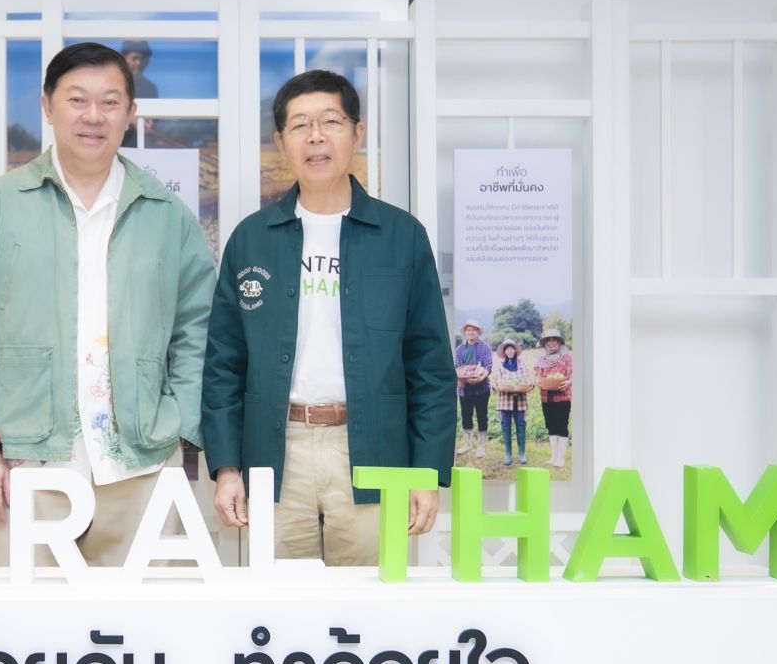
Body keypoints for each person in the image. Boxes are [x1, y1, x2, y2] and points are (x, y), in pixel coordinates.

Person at [0, 41, 214, 567]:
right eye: (77, 99)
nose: (93, 116)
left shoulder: (166, 213)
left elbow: (197, 327)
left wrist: (179, 425)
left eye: (110, 102)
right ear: (47, 106)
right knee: (27, 615)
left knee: (144, 616)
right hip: (27, 462)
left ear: (131, 113)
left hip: (141, 465)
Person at [202, 69, 454, 566]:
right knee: (278, 602)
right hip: (276, 452)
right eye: (299, 125)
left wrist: (426, 471)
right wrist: (227, 467)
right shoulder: (252, 239)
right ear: (281, 142)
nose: (315, 136)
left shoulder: (401, 236)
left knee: (371, 600)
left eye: (330, 122)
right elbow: (224, 365)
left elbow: (429, 363)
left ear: (357, 133)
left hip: (373, 447)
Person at [453, 319, 493, 460]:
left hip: (482, 388)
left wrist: (480, 376)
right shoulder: (459, 350)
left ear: (478, 332)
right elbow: (457, 367)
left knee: (482, 415)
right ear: (465, 332)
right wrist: (463, 379)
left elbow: (488, 366)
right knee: (466, 415)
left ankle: (481, 445)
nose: (471, 332)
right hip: (464, 389)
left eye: (474, 330)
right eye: (468, 330)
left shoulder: (485, 347)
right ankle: (467, 444)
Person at [534, 327, 573, 469]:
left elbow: (572, 373)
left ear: (559, 342)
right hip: (546, 396)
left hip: (562, 396)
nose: (551, 343)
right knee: (550, 425)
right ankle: (553, 456)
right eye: (548, 341)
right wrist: (538, 381)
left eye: (554, 340)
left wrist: (569, 382)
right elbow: (538, 375)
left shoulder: (567, 356)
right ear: (545, 343)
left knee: (561, 426)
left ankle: (561, 457)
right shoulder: (541, 358)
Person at [490, 338, 533, 466]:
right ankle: (508, 454)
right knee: (505, 424)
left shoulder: (521, 364)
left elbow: (527, 378)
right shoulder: (500, 365)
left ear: (515, 350)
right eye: (507, 349)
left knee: (521, 424)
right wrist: (496, 386)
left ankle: (522, 453)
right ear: (504, 351)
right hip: (505, 399)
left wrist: (529, 384)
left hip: (520, 398)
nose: (509, 351)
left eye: (511, 348)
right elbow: (495, 381)